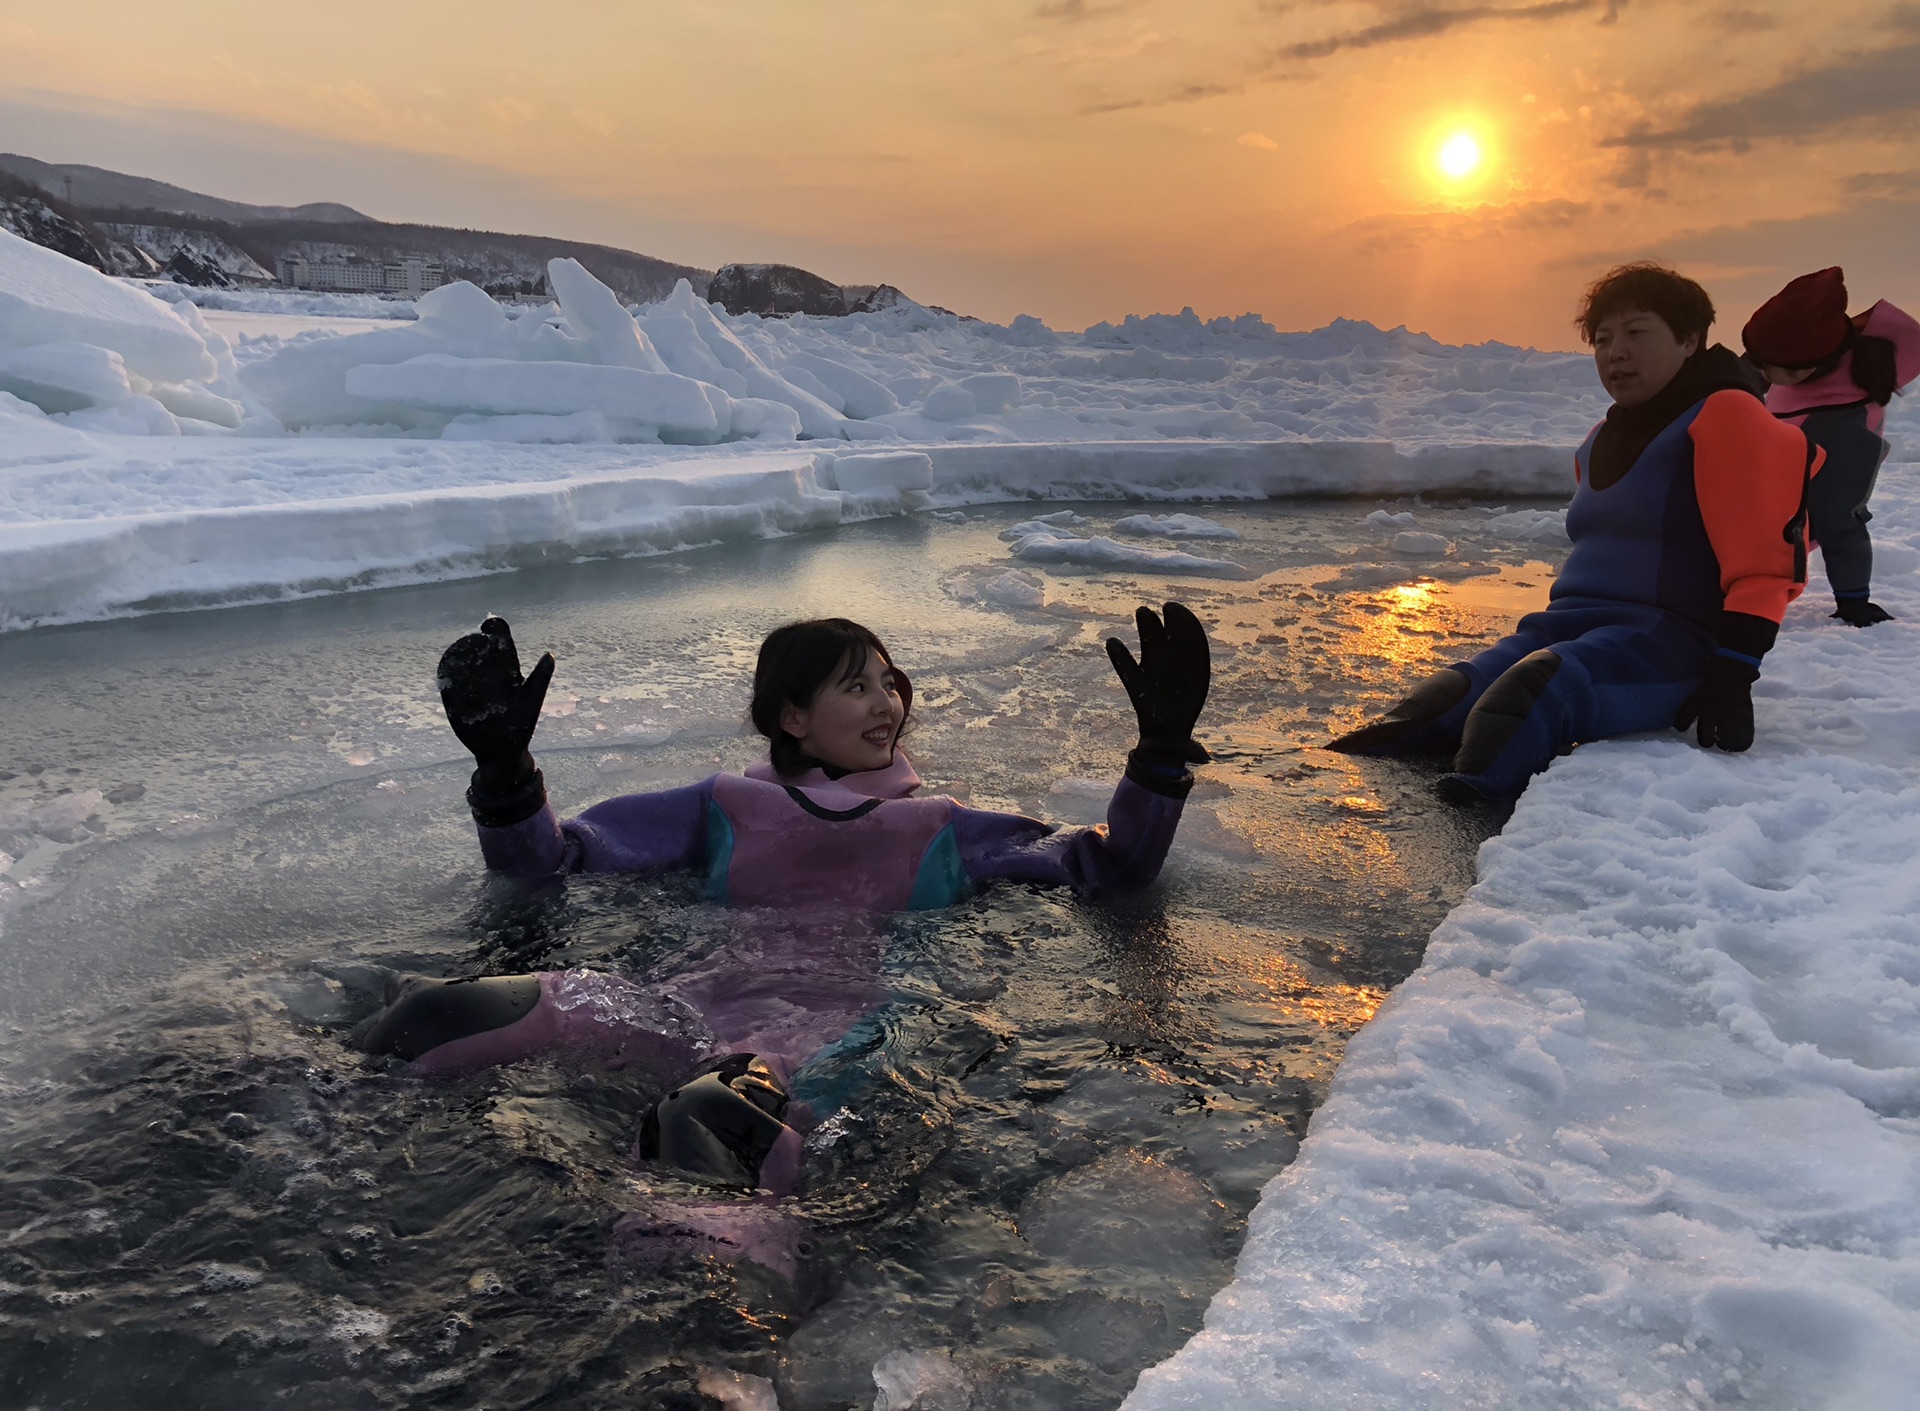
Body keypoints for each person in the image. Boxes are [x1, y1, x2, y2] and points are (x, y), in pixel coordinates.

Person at [355, 605, 1211, 1198]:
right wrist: (505, 775)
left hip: (824, 1043)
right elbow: (549, 865)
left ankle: (699, 1362)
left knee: (708, 1122)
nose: (890, 703)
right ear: (792, 716)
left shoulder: (945, 828)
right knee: (435, 1016)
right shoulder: (720, 803)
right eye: (858, 687)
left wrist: (1160, 759)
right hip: (671, 1007)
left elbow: (1111, 869)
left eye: (890, 681)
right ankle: (300, 1120)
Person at [1328, 262, 1817, 802]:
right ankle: (1313, 795)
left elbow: (1767, 560)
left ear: (1690, 340)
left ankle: (1459, 826)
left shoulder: (1728, 415)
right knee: (1445, 699)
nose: (1615, 352)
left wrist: (1735, 671)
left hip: (1666, 645)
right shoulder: (1599, 437)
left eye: (1636, 333)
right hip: (1564, 628)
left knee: (1530, 693)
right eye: (1602, 339)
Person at [1741, 267, 1920, 626]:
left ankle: (1853, 598)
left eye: (1785, 371)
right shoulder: (1782, 357)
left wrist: (1853, 601)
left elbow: (1840, 520)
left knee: (1833, 516)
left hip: (1826, 462)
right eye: (1762, 364)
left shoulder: (1845, 421)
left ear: (1822, 361)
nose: (1770, 377)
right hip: (1783, 456)